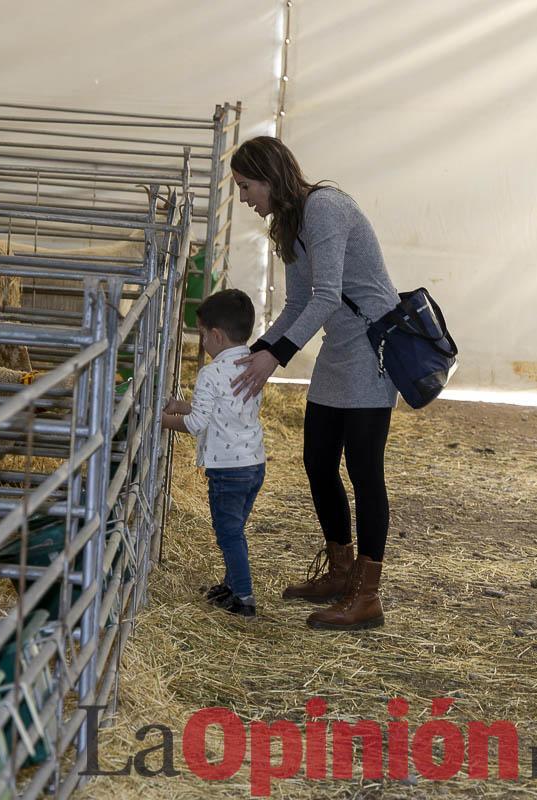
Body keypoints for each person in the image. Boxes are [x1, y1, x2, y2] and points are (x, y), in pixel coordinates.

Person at [229, 136, 400, 631]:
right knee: (318, 461)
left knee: (364, 470)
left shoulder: (324, 208)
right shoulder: (290, 222)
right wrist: (256, 350)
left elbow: (327, 295)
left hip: (372, 349)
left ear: (269, 177)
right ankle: (340, 571)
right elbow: (299, 303)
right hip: (339, 348)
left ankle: (367, 595)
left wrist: (274, 357)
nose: (244, 198)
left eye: (246, 186)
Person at [162, 289, 266, 618]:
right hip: (253, 464)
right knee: (235, 531)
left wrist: (160, 420)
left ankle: (244, 598)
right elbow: (223, 411)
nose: (203, 341)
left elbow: (196, 425)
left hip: (227, 471)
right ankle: (232, 586)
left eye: (203, 334)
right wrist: (180, 405)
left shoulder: (211, 373)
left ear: (217, 335)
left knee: (228, 534)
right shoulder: (252, 365)